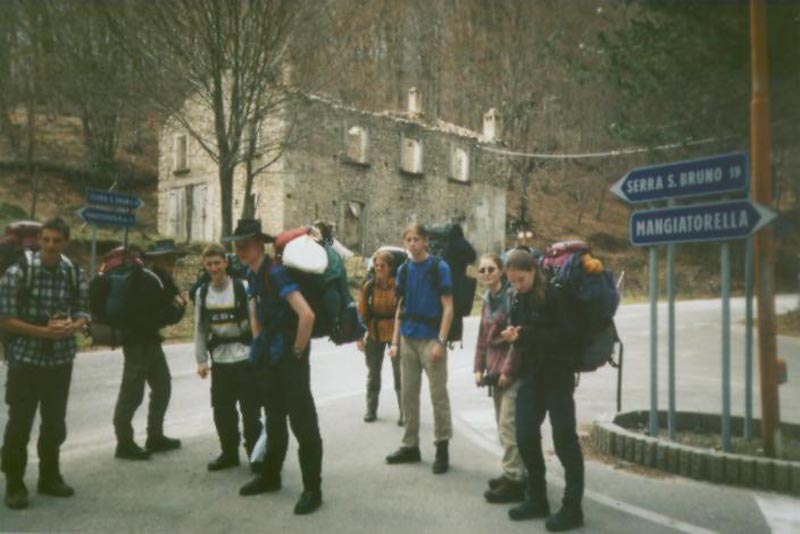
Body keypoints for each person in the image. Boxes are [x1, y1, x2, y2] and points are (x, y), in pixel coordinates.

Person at [229, 219, 323, 516]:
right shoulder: (253, 274)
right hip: (270, 356)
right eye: (237, 244)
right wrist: (258, 344)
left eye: (244, 244)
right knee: (274, 418)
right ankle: (271, 476)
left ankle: (312, 489)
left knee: (302, 421)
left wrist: (296, 351)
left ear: (259, 244)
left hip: (289, 356)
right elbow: (255, 309)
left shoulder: (277, 273)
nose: (239, 249)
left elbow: (306, 315)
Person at [0, 217, 89, 510]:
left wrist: (73, 326)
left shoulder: (74, 272)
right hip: (25, 359)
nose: (51, 246)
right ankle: (14, 484)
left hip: (60, 360)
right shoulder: (19, 273)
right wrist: (43, 331)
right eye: (46, 240)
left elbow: (83, 310)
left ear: (66, 243)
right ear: (39, 239)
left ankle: (49, 477)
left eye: (57, 241)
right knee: (19, 424)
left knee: (54, 423)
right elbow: (5, 319)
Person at [501, 248, 584, 531]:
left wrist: (524, 335)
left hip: (558, 376)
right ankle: (537, 497)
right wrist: (516, 338)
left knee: (564, 442)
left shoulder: (555, 295)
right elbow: (526, 341)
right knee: (524, 435)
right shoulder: (517, 298)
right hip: (532, 376)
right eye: (512, 281)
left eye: (521, 280)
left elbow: (567, 336)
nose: (517, 286)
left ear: (534, 271)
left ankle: (573, 508)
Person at [385, 223, 454, 474]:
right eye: (408, 239)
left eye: (416, 239)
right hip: (407, 339)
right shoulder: (403, 269)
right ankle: (410, 445)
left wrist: (441, 342)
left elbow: (448, 307)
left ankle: (442, 447)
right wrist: (394, 342)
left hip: (431, 338)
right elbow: (400, 309)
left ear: (425, 241)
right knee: (408, 395)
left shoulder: (439, 267)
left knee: (438, 396)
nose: (412, 243)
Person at [113, 239, 186, 460]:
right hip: (137, 343)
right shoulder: (148, 280)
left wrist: (177, 307)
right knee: (132, 394)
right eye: (167, 258)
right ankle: (124, 443)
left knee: (163, 386)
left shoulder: (160, 279)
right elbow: (162, 316)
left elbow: (166, 316)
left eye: (173, 258)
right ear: (156, 259)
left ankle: (155, 436)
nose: (172, 262)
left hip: (149, 341)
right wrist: (178, 306)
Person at [193, 244, 261, 471]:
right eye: (209, 264)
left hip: (245, 358)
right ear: (205, 266)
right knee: (222, 411)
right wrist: (201, 360)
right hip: (220, 361)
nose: (214, 268)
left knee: (250, 411)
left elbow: (256, 323)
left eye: (217, 263)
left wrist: (259, 354)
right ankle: (229, 453)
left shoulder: (242, 287)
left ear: (226, 263)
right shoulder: (203, 293)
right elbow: (200, 329)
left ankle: (256, 455)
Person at [473, 253, 525, 503]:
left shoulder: (511, 297)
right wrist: (477, 367)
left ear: (501, 270)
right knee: (501, 423)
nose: (486, 274)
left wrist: (507, 370)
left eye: (490, 269)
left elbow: (515, 339)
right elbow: (483, 337)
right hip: (494, 370)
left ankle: (515, 480)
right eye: (482, 270)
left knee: (508, 424)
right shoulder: (487, 299)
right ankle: (512, 472)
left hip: (511, 370)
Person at [356, 250, 402, 424]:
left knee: (399, 374)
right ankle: (371, 409)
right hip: (374, 331)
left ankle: (404, 412)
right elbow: (362, 312)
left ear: (390, 268)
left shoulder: (398, 286)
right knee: (373, 373)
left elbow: (402, 312)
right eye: (376, 266)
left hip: (395, 332)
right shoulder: (369, 286)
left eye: (383, 266)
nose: (379, 268)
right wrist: (359, 337)